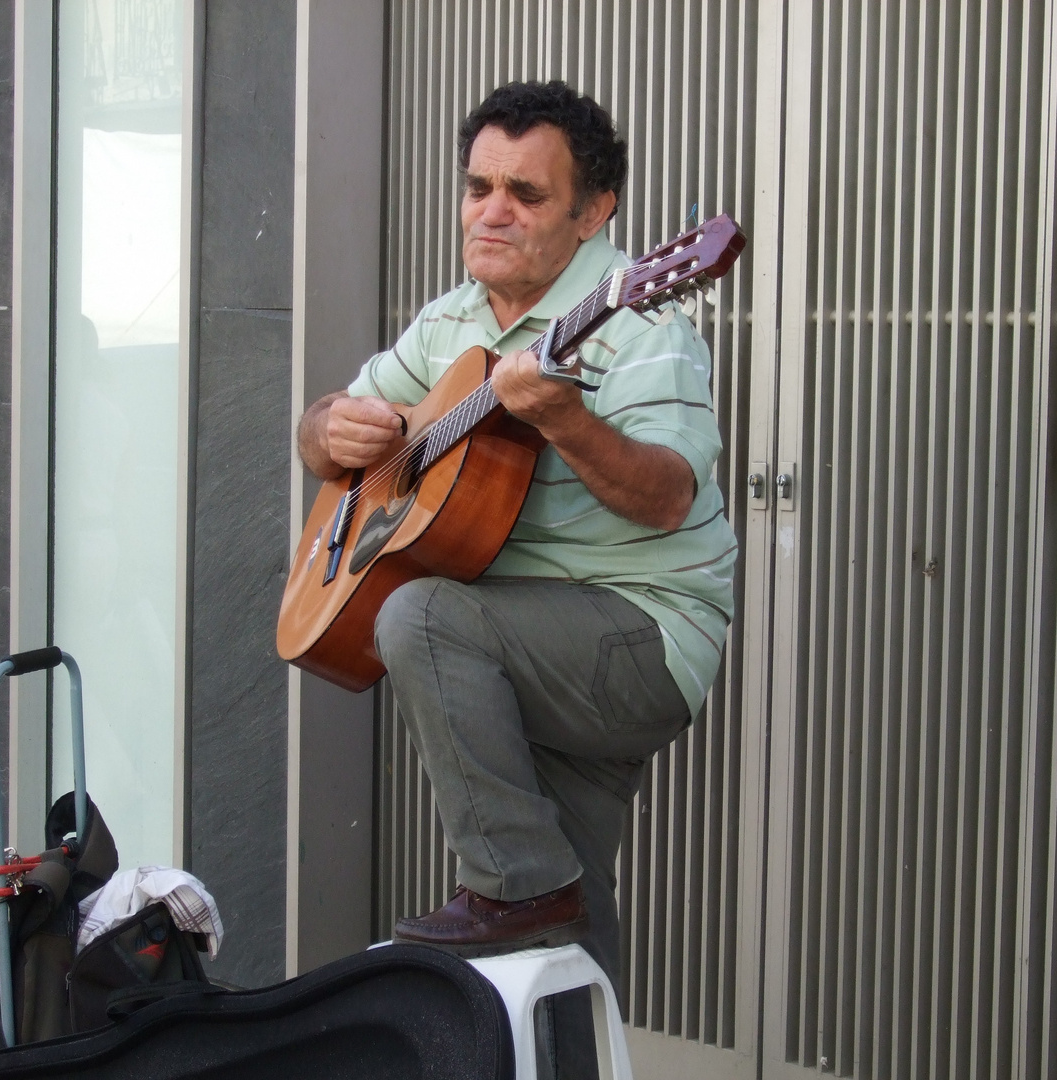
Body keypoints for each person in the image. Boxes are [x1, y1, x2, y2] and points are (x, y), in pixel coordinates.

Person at [296, 79, 735, 1016]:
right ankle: (567, 996)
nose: (491, 211)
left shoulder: (643, 325)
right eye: (478, 187)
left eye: (525, 195)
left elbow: (666, 500)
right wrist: (332, 428)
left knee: (420, 612)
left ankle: (517, 887)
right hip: (520, 641)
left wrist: (568, 422)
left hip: (636, 636)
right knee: (566, 923)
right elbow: (325, 424)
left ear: (594, 214)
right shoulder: (454, 320)